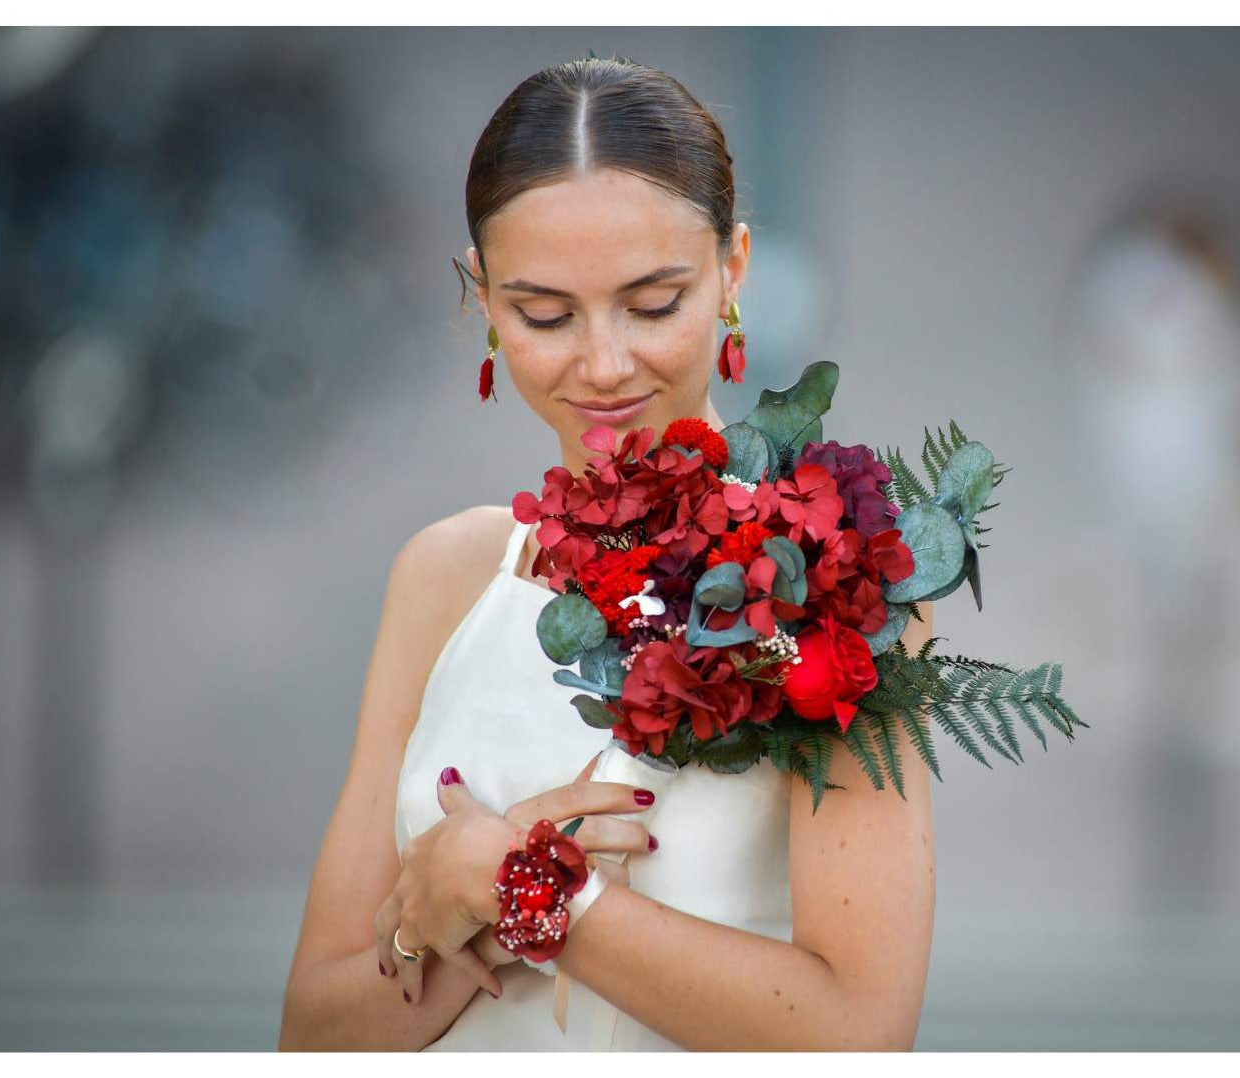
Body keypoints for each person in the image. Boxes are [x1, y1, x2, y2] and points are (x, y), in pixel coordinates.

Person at [278, 55, 936, 1052]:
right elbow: (315, 1031)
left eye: (652, 301)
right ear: (484, 299)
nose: (602, 362)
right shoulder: (445, 576)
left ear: (734, 271)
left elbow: (857, 1028)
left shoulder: (830, 572)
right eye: (545, 313)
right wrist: (465, 898)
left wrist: (518, 886)